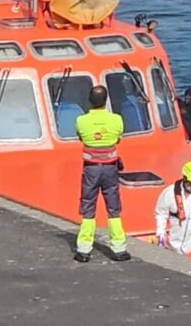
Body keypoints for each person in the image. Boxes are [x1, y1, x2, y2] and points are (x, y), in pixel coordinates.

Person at [73, 85, 130, 262]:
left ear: (90, 101)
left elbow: (81, 137)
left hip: (91, 168)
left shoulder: (81, 121)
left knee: (88, 207)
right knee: (113, 208)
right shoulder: (117, 119)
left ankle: (84, 250)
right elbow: (118, 137)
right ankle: (119, 249)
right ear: (106, 101)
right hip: (110, 168)